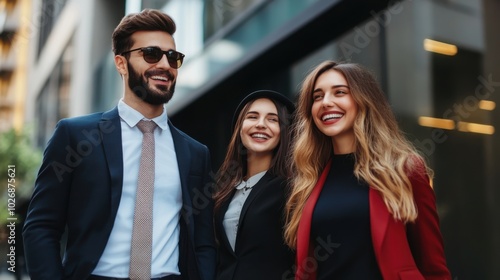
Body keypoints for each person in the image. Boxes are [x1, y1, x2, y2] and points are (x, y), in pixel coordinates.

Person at [23, 9, 216, 280]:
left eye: (173, 57)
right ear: (121, 63)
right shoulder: (75, 136)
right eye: (151, 54)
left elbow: (203, 242)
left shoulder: (195, 154)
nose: (165, 64)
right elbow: (41, 226)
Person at [284, 61, 451, 280]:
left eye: (340, 92)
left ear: (364, 100)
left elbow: (433, 266)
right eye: (317, 96)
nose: (326, 102)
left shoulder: (405, 169)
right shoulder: (309, 178)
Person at [213, 90, 295, 280]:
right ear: (239, 128)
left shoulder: (292, 189)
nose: (260, 124)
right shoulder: (224, 191)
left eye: (273, 119)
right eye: (252, 117)